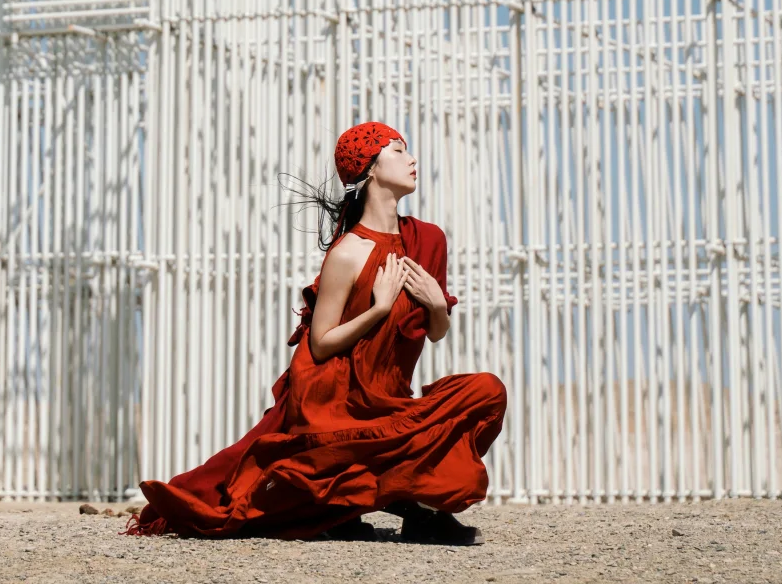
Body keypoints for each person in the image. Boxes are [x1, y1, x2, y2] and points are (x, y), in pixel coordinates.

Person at [126, 120, 507, 545]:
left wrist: (436, 304)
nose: (412, 159)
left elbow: (434, 332)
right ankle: (357, 504)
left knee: (486, 392)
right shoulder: (347, 253)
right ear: (369, 169)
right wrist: (378, 310)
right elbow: (321, 344)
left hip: (392, 401)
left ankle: (401, 508)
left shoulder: (428, 239)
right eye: (399, 151)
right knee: (279, 483)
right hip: (336, 404)